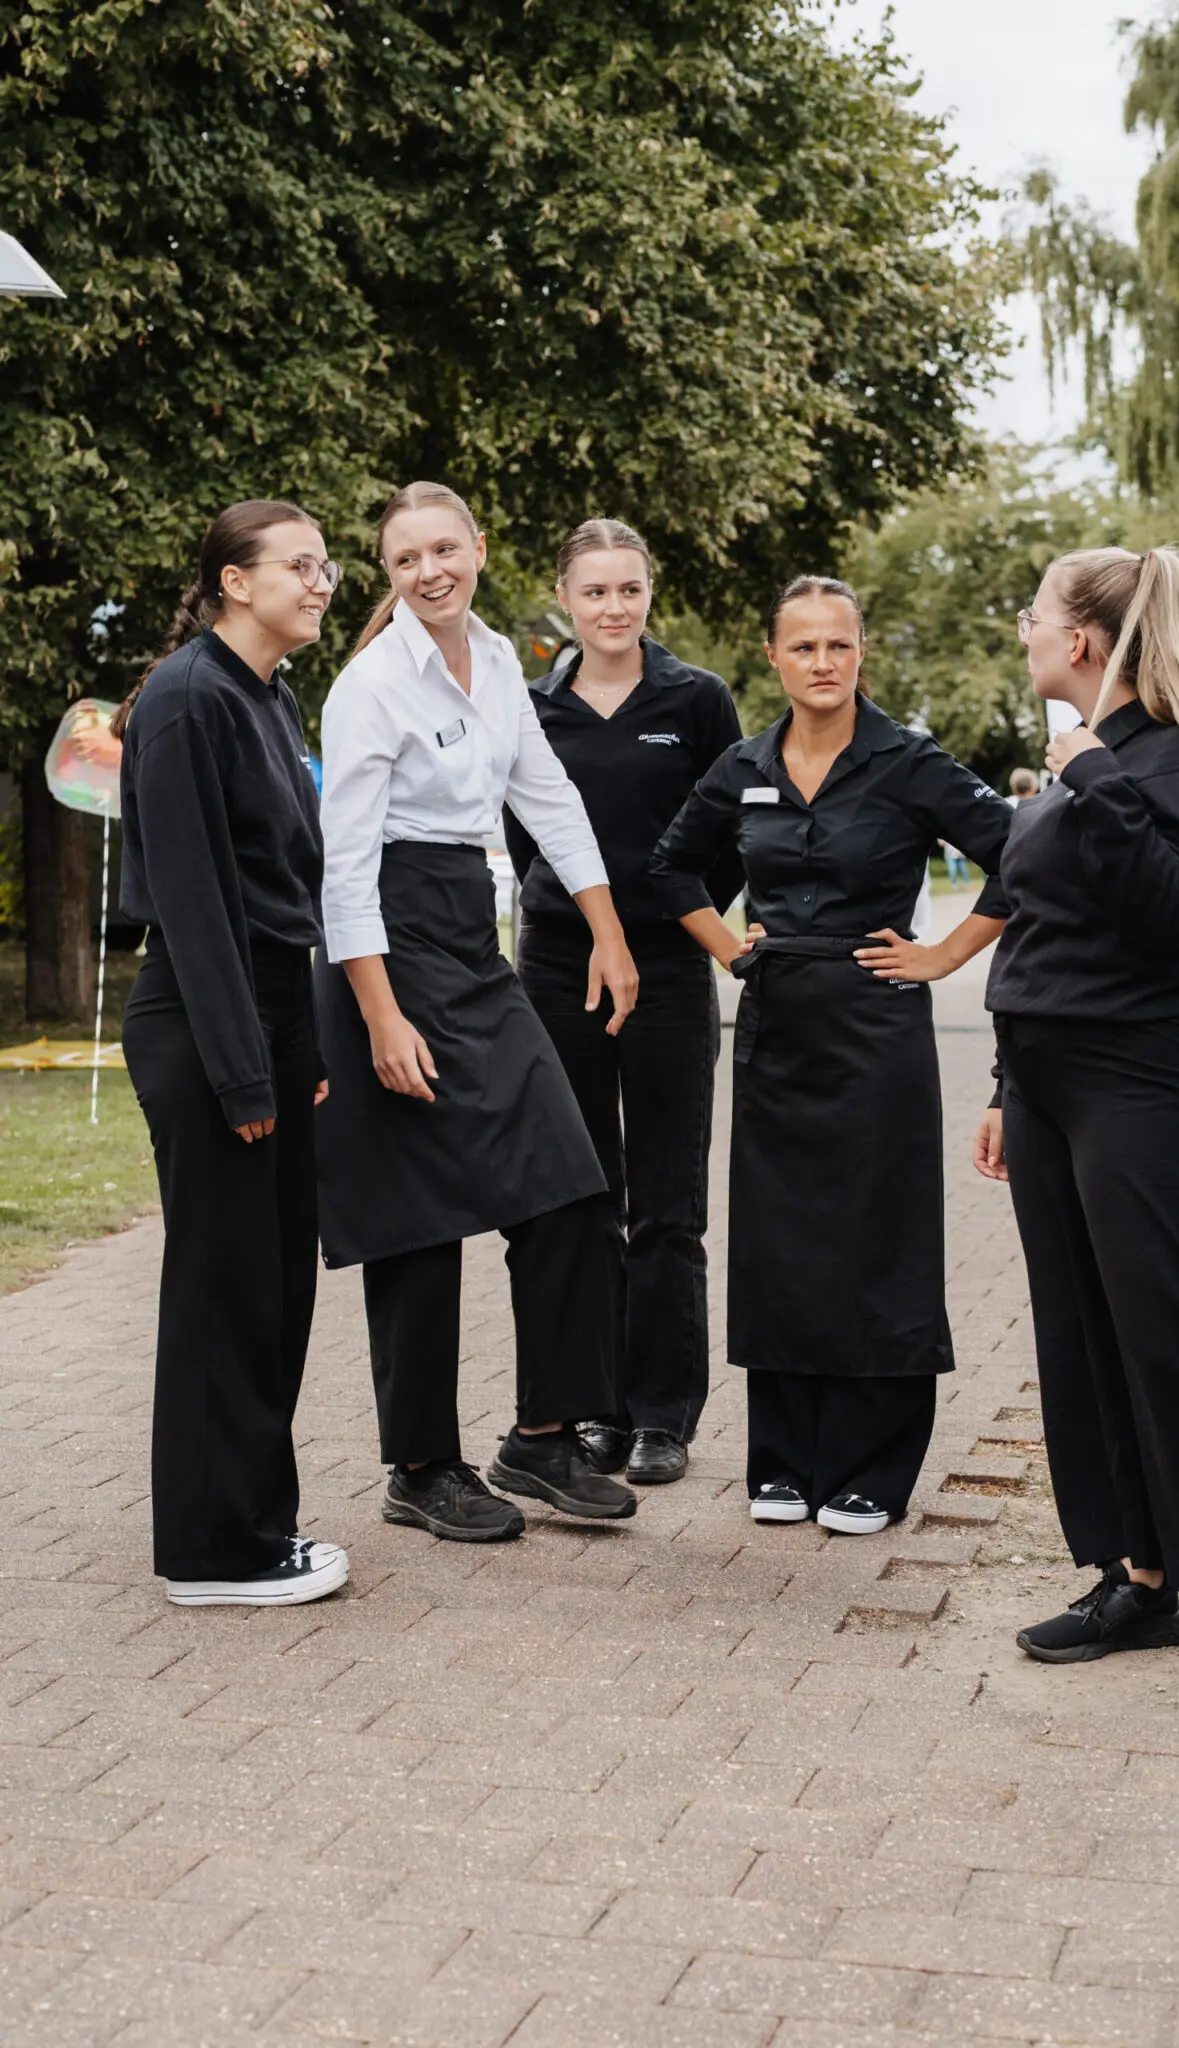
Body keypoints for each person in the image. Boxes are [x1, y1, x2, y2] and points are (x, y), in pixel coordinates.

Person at [652, 576, 1014, 1535]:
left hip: (877, 1026)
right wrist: (727, 948)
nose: (822, 662)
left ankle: (871, 1466)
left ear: (861, 653)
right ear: (772, 656)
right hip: (777, 1027)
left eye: (838, 645)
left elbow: (1021, 857)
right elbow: (671, 866)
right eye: (803, 646)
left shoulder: (908, 761)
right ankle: (781, 1459)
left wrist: (943, 954)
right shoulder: (742, 764)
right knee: (780, 1243)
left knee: (875, 1240)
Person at [314, 481, 639, 1543]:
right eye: (406, 558)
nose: (429, 571)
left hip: (468, 932)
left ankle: (542, 1435)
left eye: (443, 549)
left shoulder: (499, 661)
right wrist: (378, 1016)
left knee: (567, 1184)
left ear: (480, 549)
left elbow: (547, 797)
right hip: (385, 944)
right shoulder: (370, 685)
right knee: (417, 1218)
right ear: (388, 572)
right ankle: (421, 1467)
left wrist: (607, 930)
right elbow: (344, 869)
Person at [975, 545, 1179, 1662]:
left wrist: (1096, 774)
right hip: (1045, 1080)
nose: (1023, 629)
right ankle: (1137, 1580)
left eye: (1033, 612)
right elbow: (1041, 929)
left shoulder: (1174, 760)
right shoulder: (1076, 761)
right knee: (1081, 1332)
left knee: (1163, 1325)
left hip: (1136, 1075)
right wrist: (1004, 1086)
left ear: (1082, 639)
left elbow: (1173, 916)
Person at [115, 500, 348, 1607]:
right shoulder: (185, 698)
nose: (321, 581)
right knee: (224, 1290)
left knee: (274, 1287)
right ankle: (212, 1552)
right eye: (300, 564)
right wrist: (243, 1067)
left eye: (325, 564)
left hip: (271, 1008)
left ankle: (258, 1523)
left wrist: (301, 1041)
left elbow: (288, 885)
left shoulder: (269, 694)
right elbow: (197, 903)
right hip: (206, 1016)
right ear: (234, 582)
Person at [505, 519, 743, 1486]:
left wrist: (676, 918)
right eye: (595, 591)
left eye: (629, 590)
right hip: (558, 968)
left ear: (650, 594)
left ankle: (661, 1417)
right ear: (564, 598)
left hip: (670, 970)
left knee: (666, 1204)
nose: (614, 608)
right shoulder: (527, 706)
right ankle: (595, 1409)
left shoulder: (697, 699)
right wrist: (573, 914)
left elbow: (730, 833)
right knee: (581, 1195)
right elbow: (524, 836)